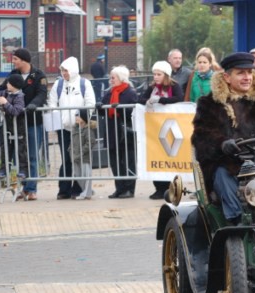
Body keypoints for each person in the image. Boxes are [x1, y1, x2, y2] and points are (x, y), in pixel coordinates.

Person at [191, 52, 255, 224]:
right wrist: (222, 144)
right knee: (222, 173)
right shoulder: (210, 104)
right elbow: (202, 136)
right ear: (227, 77)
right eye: (241, 73)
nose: (247, 77)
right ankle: (236, 222)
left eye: (249, 72)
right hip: (229, 162)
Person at [0, 48, 48, 200]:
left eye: (15, 59)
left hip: (32, 122)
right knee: (20, 156)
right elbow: (2, 90)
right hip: (16, 124)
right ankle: (23, 188)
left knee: (32, 155)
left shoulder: (38, 75)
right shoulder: (13, 74)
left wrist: (33, 104)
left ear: (24, 60)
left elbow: (42, 93)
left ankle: (31, 189)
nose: (12, 62)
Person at [48, 57, 96, 200]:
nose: (64, 73)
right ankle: (64, 189)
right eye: (62, 70)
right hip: (63, 128)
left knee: (79, 158)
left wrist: (83, 119)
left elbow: (90, 103)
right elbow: (52, 102)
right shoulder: (58, 84)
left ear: (73, 70)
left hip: (79, 128)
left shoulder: (84, 83)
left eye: (66, 70)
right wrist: (57, 117)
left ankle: (79, 188)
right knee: (66, 158)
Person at [138, 60, 184, 200]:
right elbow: (141, 99)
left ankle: (172, 188)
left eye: (159, 74)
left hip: (171, 128)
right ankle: (159, 188)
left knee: (169, 158)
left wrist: (161, 100)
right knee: (156, 157)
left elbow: (179, 98)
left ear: (166, 75)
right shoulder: (152, 87)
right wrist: (148, 101)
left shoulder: (174, 86)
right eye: (154, 74)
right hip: (155, 128)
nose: (156, 77)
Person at [99, 65, 139, 199]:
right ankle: (119, 188)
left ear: (121, 78)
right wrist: (99, 107)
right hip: (112, 131)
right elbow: (103, 109)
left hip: (125, 132)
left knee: (128, 161)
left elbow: (132, 112)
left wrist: (120, 108)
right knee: (115, 162)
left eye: (113, 78)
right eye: (110, 78)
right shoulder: (110, 92)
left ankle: (129, 189)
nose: (111, 80)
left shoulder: (130, 92)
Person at [69, 108, 97, 200]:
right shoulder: (75, 129)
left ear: (84, 118)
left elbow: (91, 142)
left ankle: (87, 193)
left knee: (86, 174)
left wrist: (82, 151)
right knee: (78, 175)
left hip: (85, 157)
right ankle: (87, 190)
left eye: (78, 116)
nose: (76, 117)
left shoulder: (87, 130)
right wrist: (70, 150)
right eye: (76, 116)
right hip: (75, 157)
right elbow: (72, 142)